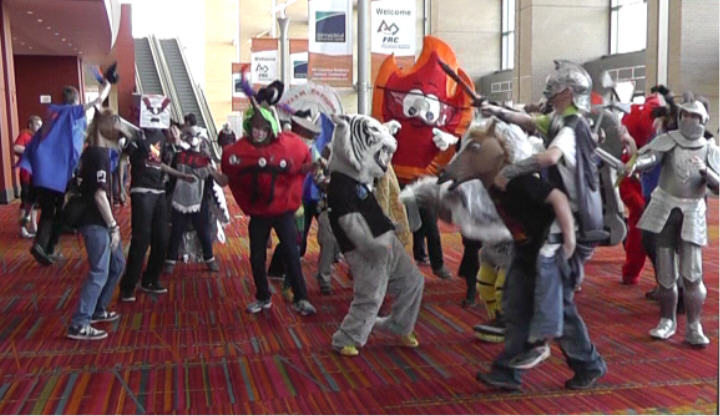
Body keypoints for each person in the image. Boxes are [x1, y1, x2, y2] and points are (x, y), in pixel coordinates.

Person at [480, 60, 606, 384]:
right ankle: (510, 369)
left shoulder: (571, 126)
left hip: (570, 223)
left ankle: (554, 351)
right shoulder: (560, 119)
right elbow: (529, 120)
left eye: (556, 85)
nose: (549, 89)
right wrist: (496, 110)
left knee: (551, 294)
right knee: (522, 291)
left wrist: (511, 170)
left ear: (568, 92)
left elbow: (550, 157)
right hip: (553, 220)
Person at [624, 96, 718, 347]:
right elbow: (651, 158)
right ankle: (667, 320)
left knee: (692, 275)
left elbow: (718, 185)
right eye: (685, 115)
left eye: (694, 116)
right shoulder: (668, 140)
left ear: (703, 120)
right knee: (666, 275)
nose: (689, 120)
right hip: (664, 207)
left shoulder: (710, 148)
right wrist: (636, 165)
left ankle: (694, 325)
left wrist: (706, 173)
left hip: (692, 211)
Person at [218, 96, 317, 316]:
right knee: (256, 257)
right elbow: (228, 177)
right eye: (254, 127)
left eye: (263, 128)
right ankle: (263, 297)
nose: (258, 132)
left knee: (292, 254)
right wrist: (214, 175)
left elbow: (299, 167)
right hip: (259, 214)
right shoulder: (240, 150)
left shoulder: (287, 146)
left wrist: (314, 166)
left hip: (283, 212)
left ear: (271, 128)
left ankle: (301, 298)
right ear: (248, 127)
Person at [21, 76, 114, 266]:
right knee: (54, 210)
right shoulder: (70, 113)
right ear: (76, 100)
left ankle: (46, 247)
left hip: (44, 171)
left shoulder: (52, 115)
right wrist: (107, 86)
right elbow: (97, 103)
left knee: (52, 209)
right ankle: (42, 246)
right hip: (56, 174)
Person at [66, 109, 126, 340]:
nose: (118, 129)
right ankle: (80, 323)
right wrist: (113, 226)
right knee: (99, 271)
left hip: (98, 219)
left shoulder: (94, 152)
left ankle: (98, 308)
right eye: (115, 123)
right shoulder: (97, 155)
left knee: (117, 264)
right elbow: (99, 195)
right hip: (95, 221)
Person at [118, 125, 194, 302]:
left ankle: (150, 279)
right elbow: (124, 158)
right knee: (141, 239)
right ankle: (128, 286)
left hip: (159, 191)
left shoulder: (160, 135)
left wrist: (180, 175)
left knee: (161, 238)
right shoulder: (138, 134)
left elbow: (158, 163)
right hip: (142, 190)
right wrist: (121, 185)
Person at [164, 129, 221, 273]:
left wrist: (209, 200)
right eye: (190, 136)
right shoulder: (178, 156)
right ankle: (170, 260)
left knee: (204, 231)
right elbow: (171, 177)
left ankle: (209, 259)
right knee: (176, 230)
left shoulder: (206, 159)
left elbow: (210, 182)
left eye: (196, 136)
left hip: (200, 199)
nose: (193, 139)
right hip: (179, 198)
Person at [13, 115, 43, 238]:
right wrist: (30, 150)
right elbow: (16, 147)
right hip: (26, 173)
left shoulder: (39, 137)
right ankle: (23, 228)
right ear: (30, 124)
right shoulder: (25, 134)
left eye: (41, 125)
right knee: (26, 201)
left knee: (35, 201)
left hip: (37, 173)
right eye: (37, 124)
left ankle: (34, 226)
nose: (39, 127)